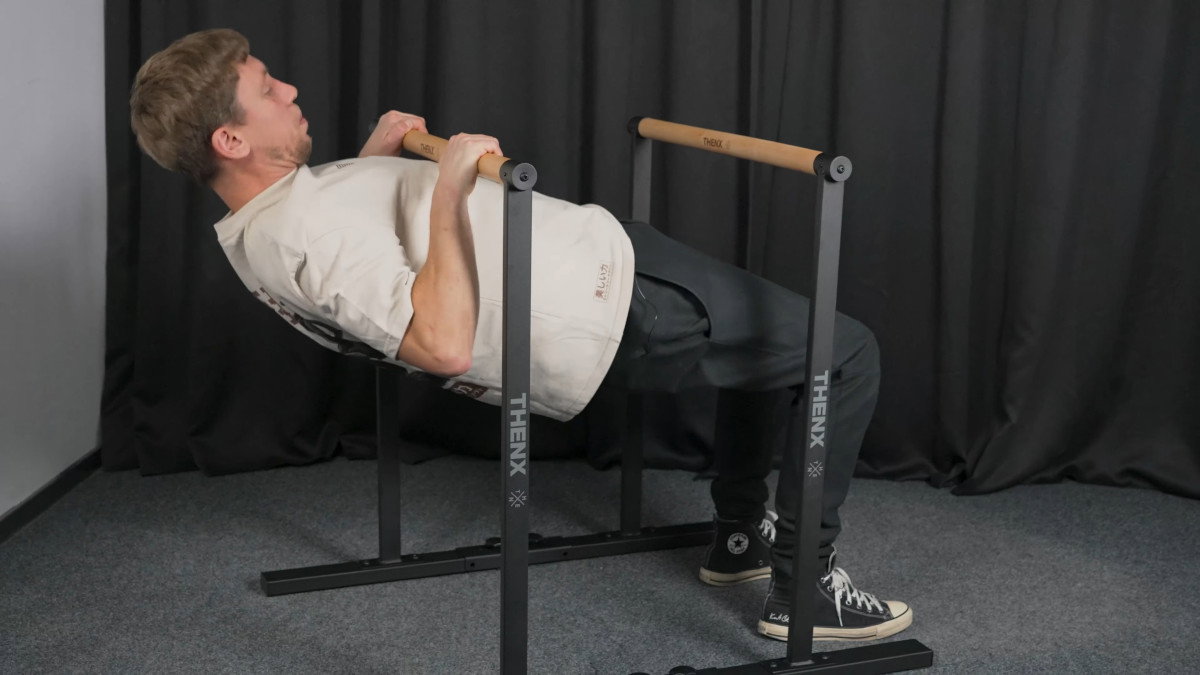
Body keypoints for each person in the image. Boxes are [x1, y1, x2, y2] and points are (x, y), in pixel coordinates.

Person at [129, 28, 912, 642]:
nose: (291, 89)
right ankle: (802, 587)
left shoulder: (257, 225)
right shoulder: (299, 232)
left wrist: (371, 162)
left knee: (770, 347)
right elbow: (439, 343)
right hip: (613, 305)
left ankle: (739, 534)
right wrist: (450, 184)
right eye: (267, 91)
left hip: (605, 265)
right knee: (843, 353)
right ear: (230, 141)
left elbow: (358, 268)